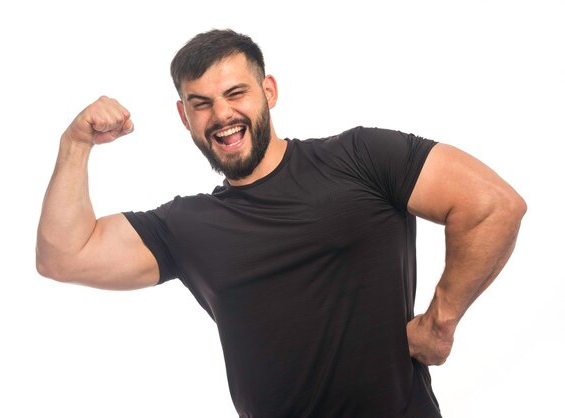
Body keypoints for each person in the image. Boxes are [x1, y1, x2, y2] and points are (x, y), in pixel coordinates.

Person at [36, 29, 526, 417]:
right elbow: (64, 256)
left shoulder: (361, 157)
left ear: (268, 91)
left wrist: (439, 323)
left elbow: (491, 205)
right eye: (201, 103)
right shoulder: (186, 227)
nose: (222, 115)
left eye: (235, 93)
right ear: (184, 117)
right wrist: (74, 144)